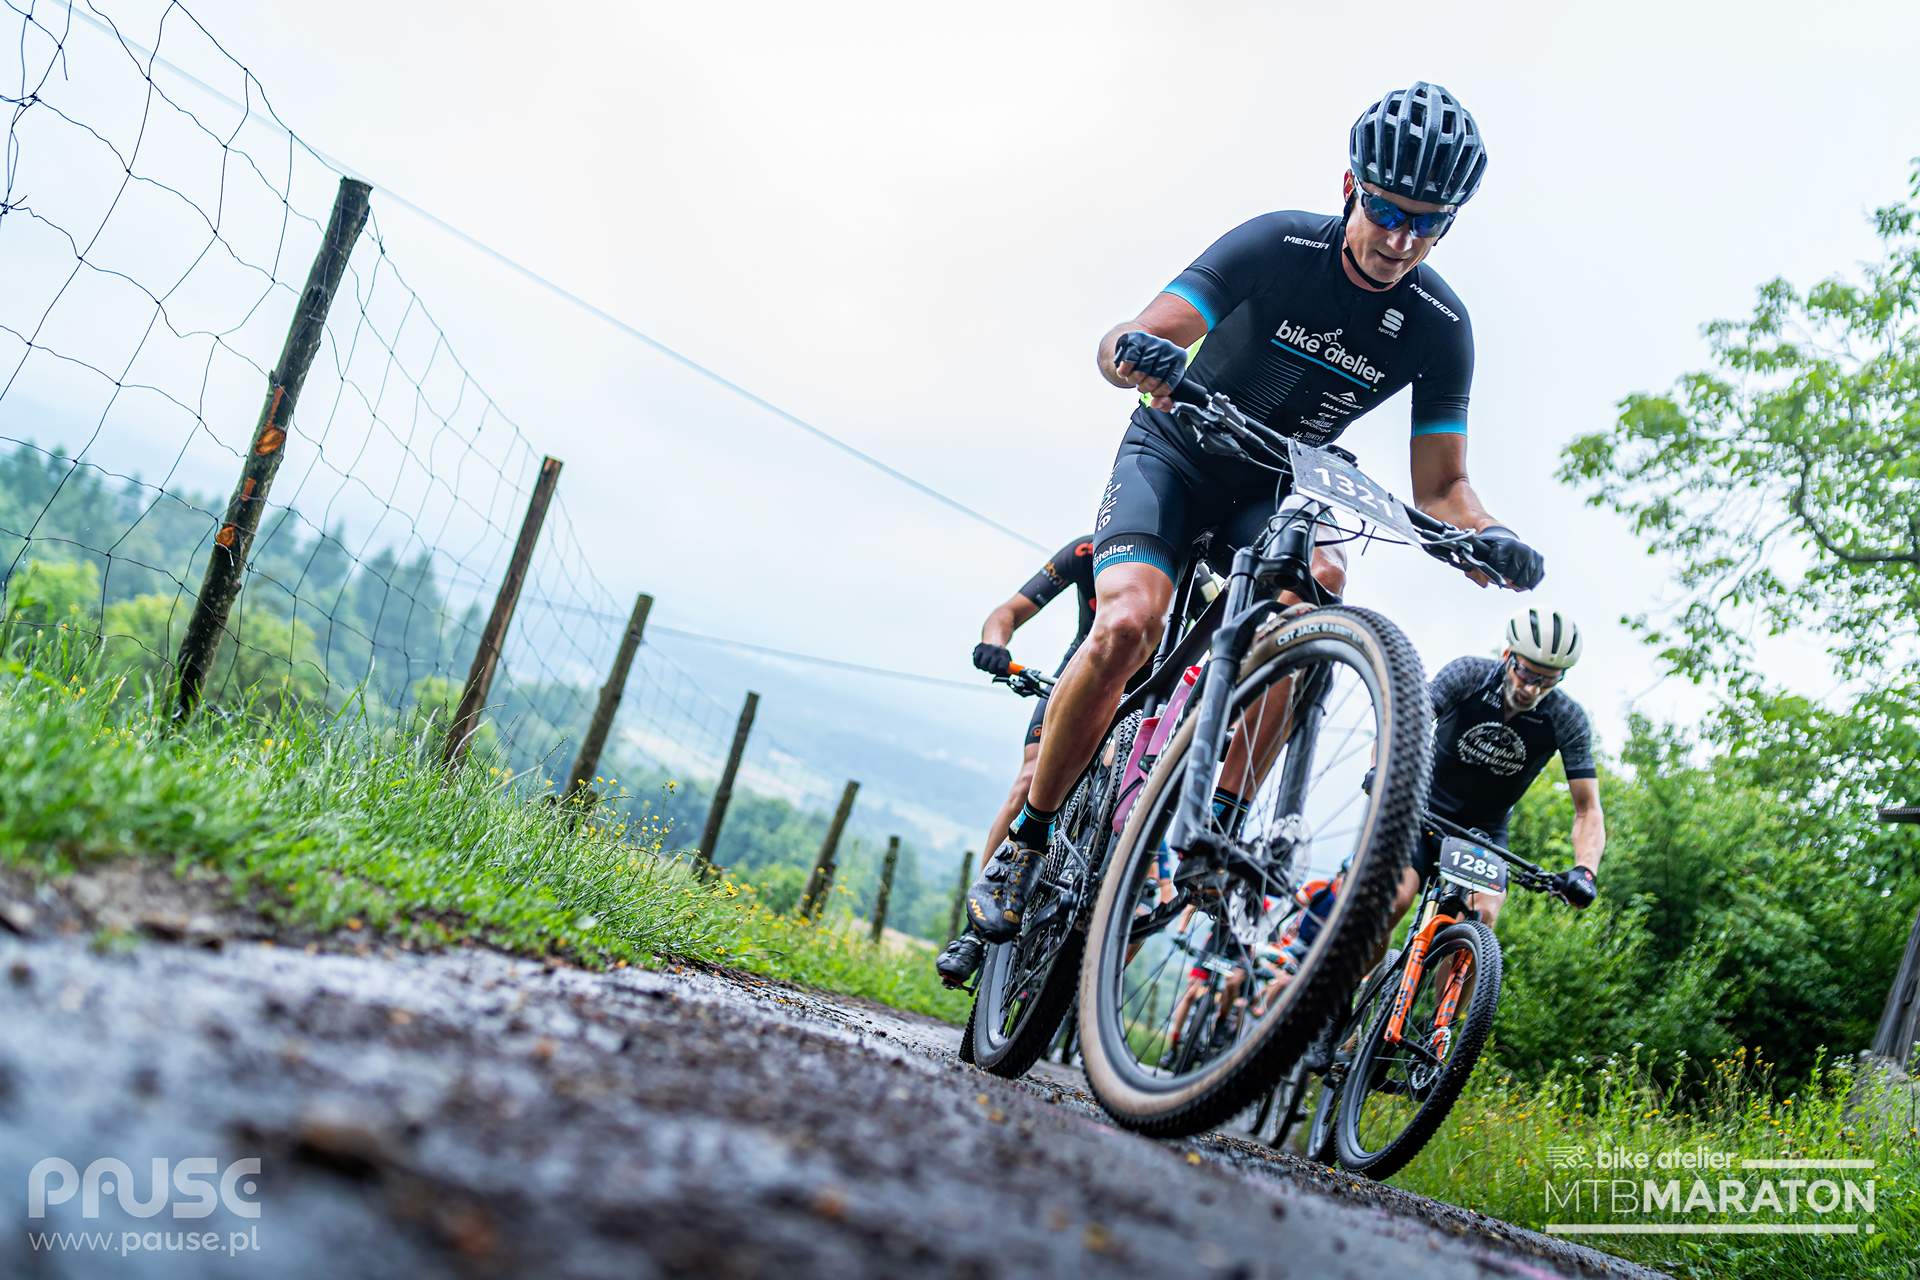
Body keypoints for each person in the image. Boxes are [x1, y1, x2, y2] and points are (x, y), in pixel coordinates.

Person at [965, 81, 1546, 944]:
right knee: (1127, 623)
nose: (1401, 240)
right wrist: (1134, 351)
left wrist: (1489, 535)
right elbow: (1139, 331)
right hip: (1176, 455)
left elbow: (1442, 489)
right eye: (1387, 211)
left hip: (1272, 485)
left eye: (1428, 224)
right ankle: (1029, 838)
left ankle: (1219, 826)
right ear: (1350, 187)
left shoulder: (1439, 324)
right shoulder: (1278, 244)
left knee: (1320, 595)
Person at [936, 535, 1097, 987]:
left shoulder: (1198, 573)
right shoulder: (1086, 552)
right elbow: (1007, 613)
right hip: (1077, 677)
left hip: (1146, 697)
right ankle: (974, 932)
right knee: (1030, 779)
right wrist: (995, 644)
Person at [1404, 606, 1605, 930]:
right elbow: (1407, 720)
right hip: (1421, 809)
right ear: (1508, 655)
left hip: (1485, 833)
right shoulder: (1469, 675)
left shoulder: (1566, 717)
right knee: (1397, 896)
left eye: (1548, 680)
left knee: (1482, 915)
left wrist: (1585, 870)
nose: (1533, 689)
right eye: (1527, 674)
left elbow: (1588, 809)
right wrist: (1381, 769)